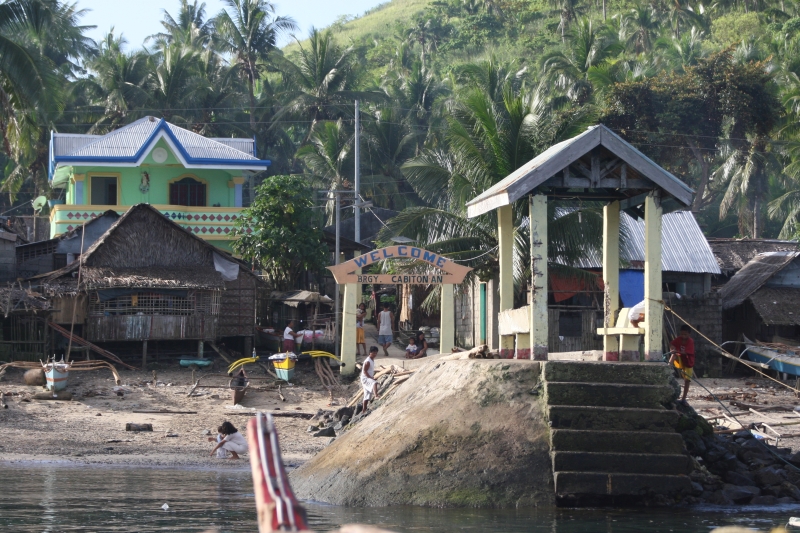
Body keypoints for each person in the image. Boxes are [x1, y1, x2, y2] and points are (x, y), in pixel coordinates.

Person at [669, 325, 696, 404]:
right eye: (682, 334)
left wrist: (676, 351)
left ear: (689, 334)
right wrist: (672, 348)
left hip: (688, 361)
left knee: (687, 380)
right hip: (680, 359)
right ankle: (669, 365)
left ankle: (684, 398)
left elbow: (685, 353)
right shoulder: (679, 339)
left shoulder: (690, 341)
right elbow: (672, 344)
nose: (683, 336)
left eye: (685, 334)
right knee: (674, 353)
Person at [361, 346, 380, 412]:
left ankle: (364, 410)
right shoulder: (368, 361)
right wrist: (371, 377)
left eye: (376, 353)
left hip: (367, 377)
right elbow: (365, 371)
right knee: (374, 383)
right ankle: (376, 395)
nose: (375, 354)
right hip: (365, 378)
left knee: (367, 395)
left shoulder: (372, 359)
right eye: (374, 353)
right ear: (370, 352)